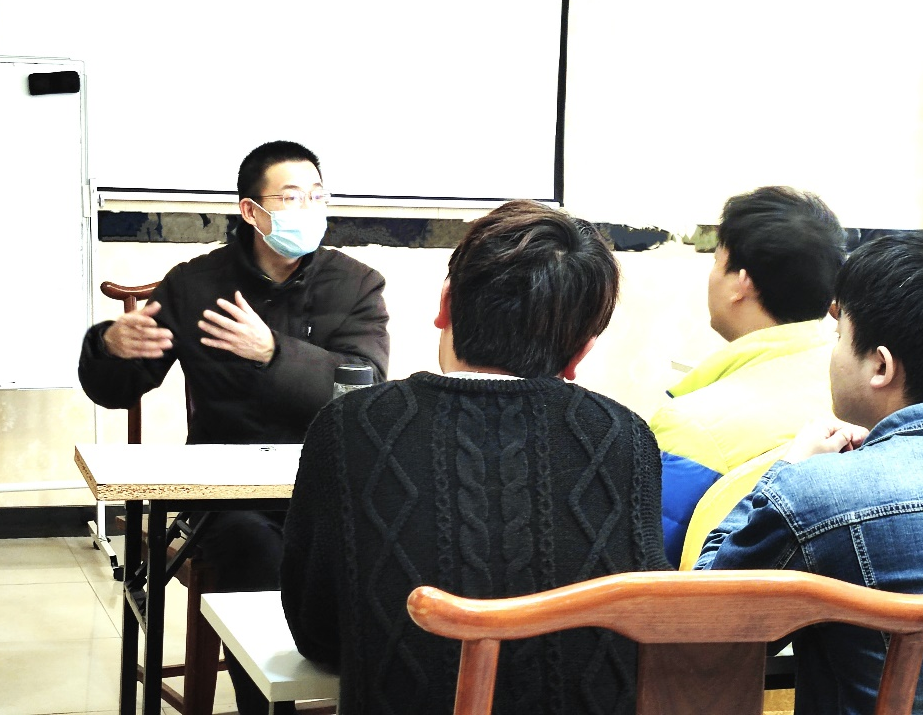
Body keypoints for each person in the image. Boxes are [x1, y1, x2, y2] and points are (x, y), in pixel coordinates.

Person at [280, 199, 670, 715]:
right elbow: (644, 628)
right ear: (581, 351)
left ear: (445, 304)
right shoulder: (624, 438)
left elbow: (317, 633)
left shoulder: (349, 426)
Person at [78, 140, 390, 715]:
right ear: (251, 210)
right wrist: (108, 346)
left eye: (317, 197)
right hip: (225, 496)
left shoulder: (356, 284)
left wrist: (274, 353)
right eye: (291, 198)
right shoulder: (196, 285)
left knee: (390, 542)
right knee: (252, 547)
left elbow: (363, 391)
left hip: (326, 485)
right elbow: (119, 389)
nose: (308, 209)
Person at [698, 231, 923, 715]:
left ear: (880, 366)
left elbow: (704, 627)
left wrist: (787, 468)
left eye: (839, 338)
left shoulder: (819, 493)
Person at [655, 186, 847, 565]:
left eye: (716, 261)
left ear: (741, 283)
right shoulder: (864, 396)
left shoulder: (690, 426)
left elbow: (656, 568)